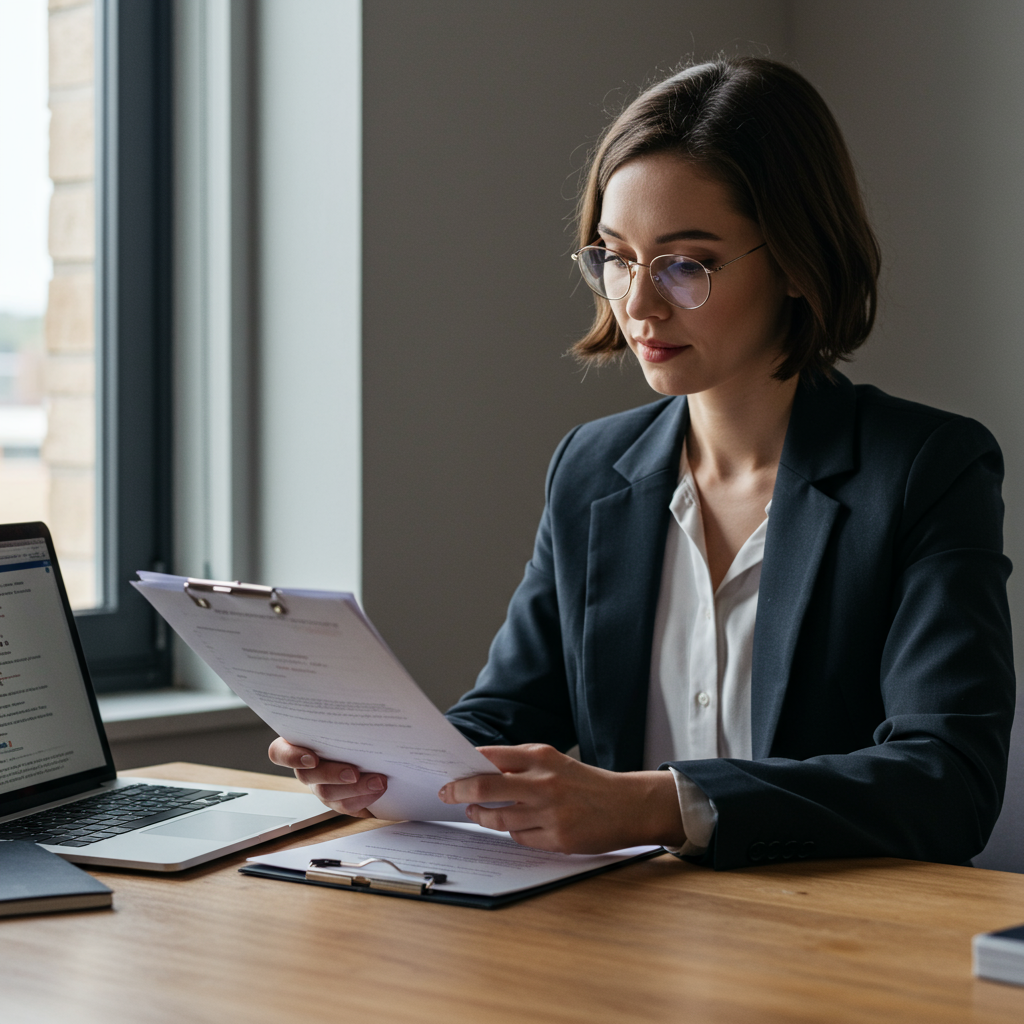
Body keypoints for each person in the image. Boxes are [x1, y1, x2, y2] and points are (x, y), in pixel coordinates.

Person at [269, 57, 1015, 869]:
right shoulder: (593, 467)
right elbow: (515, 709)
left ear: (799, 262)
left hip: (832, 944)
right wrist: (394, 763)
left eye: (685, 263)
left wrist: (654, 803)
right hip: (621, 933)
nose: (638, 304)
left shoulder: (926, 470)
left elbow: (948, 785)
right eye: (618, 257)